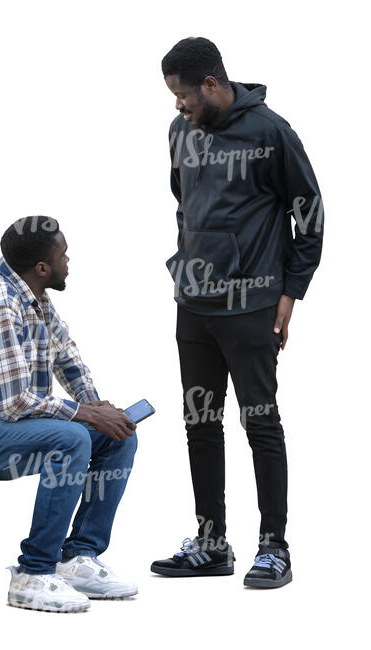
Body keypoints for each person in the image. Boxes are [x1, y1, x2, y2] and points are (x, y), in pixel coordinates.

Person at [150, 38, 323, 588]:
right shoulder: (180, 133)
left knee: (260, 422)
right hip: (193, 306)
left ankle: (274, 547)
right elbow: (184, 204)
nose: (177, 107)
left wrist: (290, 291)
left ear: (210, 84)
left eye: (182, 95)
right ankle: (210, 542)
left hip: (251, 306)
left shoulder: (271, 132)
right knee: (200, 425)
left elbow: (310, 213)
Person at [0, 216, 138, 612]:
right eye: (63, 255)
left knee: (119, 433)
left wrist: (98, 408)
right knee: (71, 438)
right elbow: (12, 402)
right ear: (42, 268)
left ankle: (76, 559)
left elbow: (67, 357)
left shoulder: (34, 296)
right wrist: (84, 415)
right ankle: (34, 574)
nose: (69, 261)